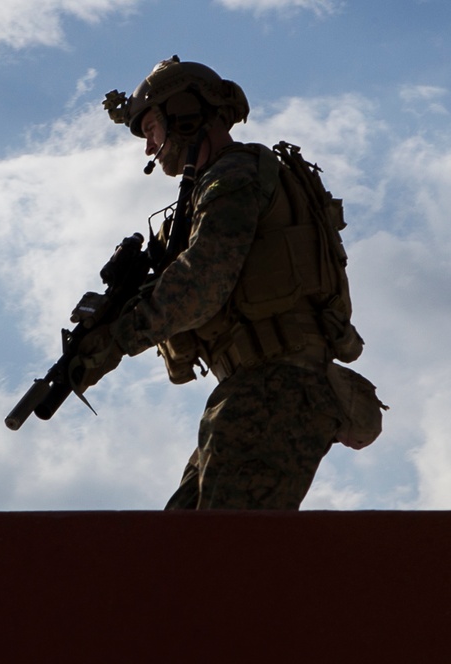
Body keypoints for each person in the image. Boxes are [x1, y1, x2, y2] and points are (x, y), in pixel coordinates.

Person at [71, 56, 383, 510]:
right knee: (184, 542)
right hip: (252, 389)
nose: (148, 147)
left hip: (277, 385)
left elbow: (203, 280)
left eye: (152, 127)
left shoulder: (233, 176)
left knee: (223, 559)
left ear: (185, 114)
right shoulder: (211, 188)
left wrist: (117, 339)